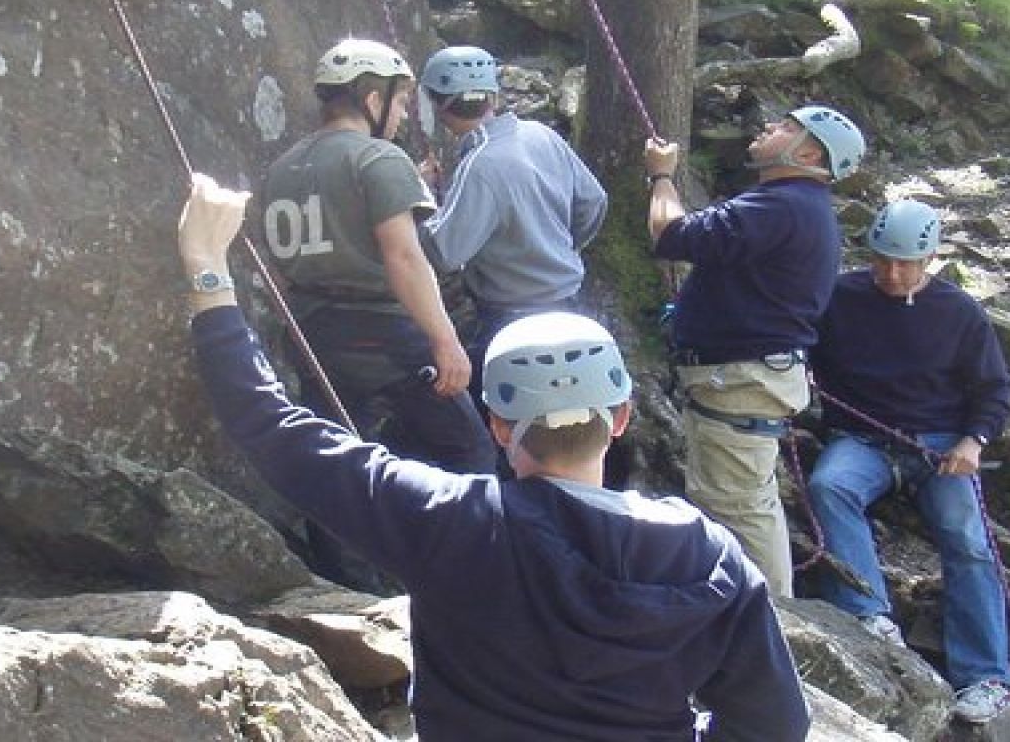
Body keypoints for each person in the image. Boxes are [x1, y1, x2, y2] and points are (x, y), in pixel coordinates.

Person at [179, 175, 811, 742]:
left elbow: (272, 427)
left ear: (499, 425)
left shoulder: (446, 518)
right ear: (620, 419)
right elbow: (776, 726)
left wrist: (209, 270)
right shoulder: (706, 553)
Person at [804, 198, 1010, 724]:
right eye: (882, 260)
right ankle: (867, 615)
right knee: (830, 485)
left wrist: (973, 442)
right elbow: (797, 341)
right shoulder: (840, 297)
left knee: (968, 537)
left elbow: (994, 389)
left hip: (940, 446)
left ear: (928, 260)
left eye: (905, 263)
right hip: (863, 439)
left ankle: (986, 676)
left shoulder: (959, 312)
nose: (892, 273)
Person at [644, 105, 865, 597]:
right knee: (741, 502)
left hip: (741, 380)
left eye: (787, 127)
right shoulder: (794, 207)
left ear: (809, 154)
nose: (769, 127)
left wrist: (661, 176)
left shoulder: (782, 207)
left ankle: (776, 616)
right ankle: (760, 610)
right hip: (750, 377)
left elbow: (670, 235)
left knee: (738, 506)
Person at [253, 38, 494, 473]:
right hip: (386, 333)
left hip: (313, 331)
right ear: (372, 100)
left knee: (336, 461)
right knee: (469, 452)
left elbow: (281, 269)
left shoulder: (281, 168)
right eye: (399, 103)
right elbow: (405, 258)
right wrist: (445, 340)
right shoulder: (379, 158)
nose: (400, 116)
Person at [415, 45, 607, 393]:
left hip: (510, 319)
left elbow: (445, 252)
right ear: (493, 95)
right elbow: (593, 201)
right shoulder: (542, 135)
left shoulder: (480, 164)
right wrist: (560, 248)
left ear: (437, 106)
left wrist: (421, 199)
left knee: (502, 410)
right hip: (569, 304)